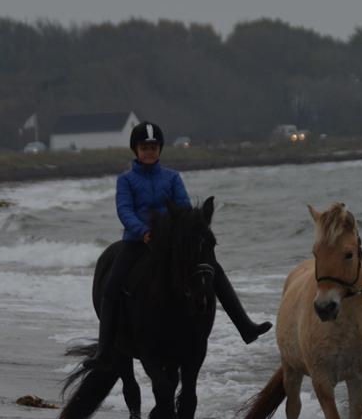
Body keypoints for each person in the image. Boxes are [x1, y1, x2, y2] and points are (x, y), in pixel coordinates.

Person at [86, 121, 272, 368]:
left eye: (153, 147)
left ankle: (245, 326)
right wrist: (143, 232)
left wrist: (187, 228)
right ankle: (104, 350)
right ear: (136, 150)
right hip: (137, 242)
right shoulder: (126, 180)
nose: (149, 152)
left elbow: (182, 206)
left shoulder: (172, 177)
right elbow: (125, 210)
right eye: (144, 147)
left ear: (160, 149)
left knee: (212, 269)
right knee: (110, 288)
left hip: (171, 243)